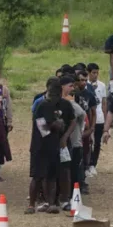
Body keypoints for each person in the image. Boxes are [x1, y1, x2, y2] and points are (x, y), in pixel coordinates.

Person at [28, 77, 74, 214]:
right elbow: (42, 128)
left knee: (52, 176)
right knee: (37, 175)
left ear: (60, 93)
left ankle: (51, 203)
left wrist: (64, 136)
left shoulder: (65, 105)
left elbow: (72, 121)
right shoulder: (42, 106)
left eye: (54, 95)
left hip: (56, 146)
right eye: (50, 94)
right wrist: (54, 125)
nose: (51, 98)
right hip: (40, 146)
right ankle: (31, 204)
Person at [64, 79, 87, 209]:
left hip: (75, 142)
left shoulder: (73, 104)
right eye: (70, 85)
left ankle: (74, 196)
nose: (72, 89)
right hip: (65, 143)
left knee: (74, 170)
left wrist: (82, 129)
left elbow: (83, 115)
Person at [87, 63, 107, 178]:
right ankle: (87, 162)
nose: (95, 75)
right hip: (89, 117)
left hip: (99, 117)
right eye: (93, 73)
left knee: (97, 142)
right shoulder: (85, 85)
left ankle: (93, 164)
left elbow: (104, 103)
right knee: (88, 141)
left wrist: (105, 118)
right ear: (89, 73)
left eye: (97, 73)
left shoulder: (102, 85)